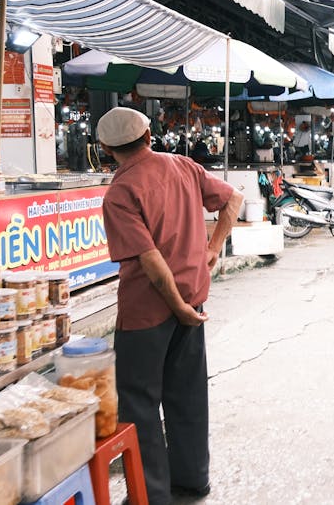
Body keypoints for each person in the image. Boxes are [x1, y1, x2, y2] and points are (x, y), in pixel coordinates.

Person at [97, 108, 244, 505]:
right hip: (192, 301)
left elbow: (150, 259)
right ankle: (193, 479)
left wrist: (176, 303)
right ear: (149, 135)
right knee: (188, 393)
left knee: (139, 403)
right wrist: (213, 249)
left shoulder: (120, 192)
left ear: (107, 148)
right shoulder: (182, 165)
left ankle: (152, 494)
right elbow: (234, 199)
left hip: (148, 311)